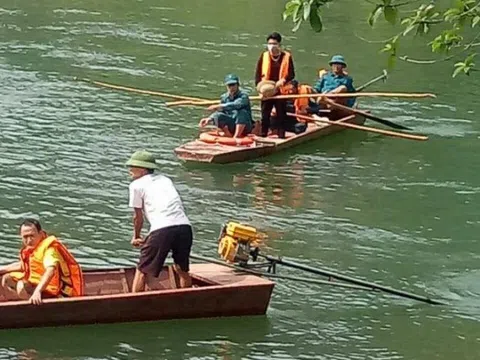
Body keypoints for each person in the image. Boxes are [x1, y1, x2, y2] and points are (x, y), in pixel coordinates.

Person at [125, 150, 193, 292]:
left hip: (163, 228)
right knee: (182, 269)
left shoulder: (136, 185)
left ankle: (133, 305)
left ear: (142, 170)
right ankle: (186, 301)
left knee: (142, 269)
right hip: (185, 227)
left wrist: (136, 236)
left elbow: (138, 216)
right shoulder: (165, 179)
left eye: (132, 166)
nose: (129, 170)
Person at [0, 218, 83, 305]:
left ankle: (34, 308)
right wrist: (2, 269)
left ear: (41, 234)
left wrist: (38, 291)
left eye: (32, 236)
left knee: (21, 286)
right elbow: (24, 266)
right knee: (6, 279)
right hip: (36, 281)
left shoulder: (49, 250)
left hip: (54, 290)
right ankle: (20, 303)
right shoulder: (31, 249)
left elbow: (50, 270)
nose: (29, 240)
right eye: (25, 237)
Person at [255, 32, 295, 138]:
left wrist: (284, 80)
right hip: (267, 90)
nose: (272, 46)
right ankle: (263, 135)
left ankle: (281, 136)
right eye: (269, 43)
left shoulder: (286, 56)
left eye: (274, 43)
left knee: (281, 115)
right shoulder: (263, 56)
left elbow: (291, 74)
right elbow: (258, 75)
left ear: (279, 45)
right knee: (265, 115)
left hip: (280, 90)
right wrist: (259, 91)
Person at [199, 74, 253, 138]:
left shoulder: (243, 96)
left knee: (242, 112)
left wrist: (219, 106)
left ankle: (237, 136)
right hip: (232, 123)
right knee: (217, 115)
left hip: (245, 125)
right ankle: (227, 133)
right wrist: (210, 118)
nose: (231, 87)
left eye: (233, 85)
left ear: (238, 85)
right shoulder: (224, 97)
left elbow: (236, 105)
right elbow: (222, 111)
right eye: (229, 85)